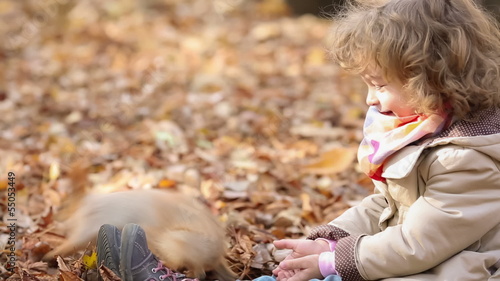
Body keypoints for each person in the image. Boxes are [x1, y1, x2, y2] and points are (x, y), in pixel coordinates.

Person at [255, 0, 500, 280]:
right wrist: (330, 242)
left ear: (430, 79)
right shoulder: (427, 132)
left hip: (452, 271)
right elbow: (388, 205)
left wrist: (332, 262)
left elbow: (419, 243)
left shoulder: (467, 159)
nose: (370, 99)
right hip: (404, 263)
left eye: (380, 85)